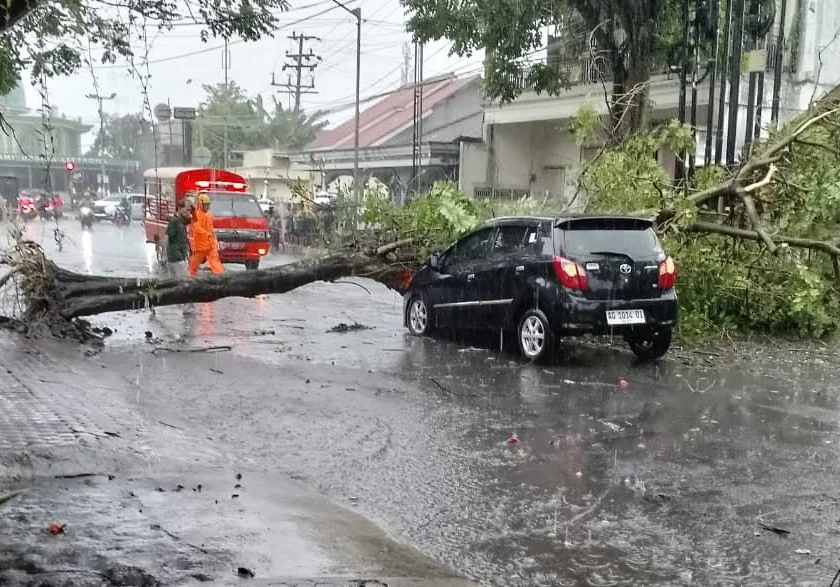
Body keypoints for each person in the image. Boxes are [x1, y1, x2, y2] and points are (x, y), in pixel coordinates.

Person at [188, 192, 224, 275]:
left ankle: (221, 276)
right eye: (205, 205)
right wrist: (207, 234)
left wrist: (214, 239)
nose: (207, 206)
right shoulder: (196, 215)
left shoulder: (209, 214)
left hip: (211, 245)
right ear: (201, 205)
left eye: (208, 205)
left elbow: (211, 228)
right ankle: (191, 277)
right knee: (194, 264)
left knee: (215, 262)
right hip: (200, 246)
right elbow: (197, 228)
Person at [165, 199, 191, 277]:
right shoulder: (174, 221)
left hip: (179, 256)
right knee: (186, 280)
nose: (188, 212)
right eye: (187, 210)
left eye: (189, 210)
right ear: (179, 208)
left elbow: (194, 219)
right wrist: (164, 255)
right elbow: (167, 237)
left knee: (176, 281)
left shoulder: (181, 220)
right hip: (175, 256)